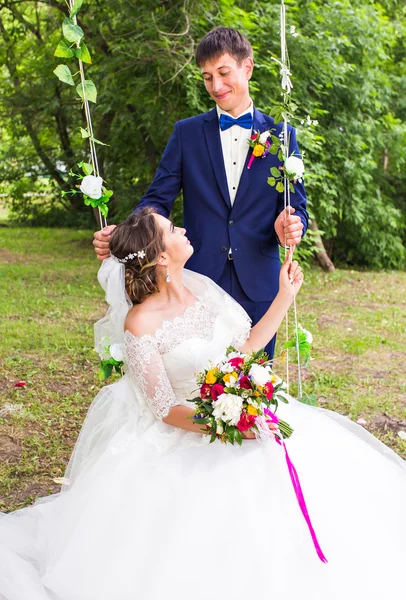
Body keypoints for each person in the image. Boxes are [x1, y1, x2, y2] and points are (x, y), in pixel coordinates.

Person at [0, 207, 405, 600]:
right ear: (161, 255)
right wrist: (229, 426)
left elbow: (242, 350)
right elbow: (165, 409)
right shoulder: (140, 323)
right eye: (173, 229)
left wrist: (285, 295)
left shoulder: (200, 291)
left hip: (239, 409)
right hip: (191, 432)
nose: (182, 231)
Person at [93, 26, 308, 359]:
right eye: (207, 77)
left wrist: (291, 227)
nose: (216, 87)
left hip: (261, 283)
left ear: (247, 68)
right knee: (204, 384)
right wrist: (127, 232)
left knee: (256, 384)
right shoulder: (187, 133)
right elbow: (157, 199)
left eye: (223, 73)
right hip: (199, 281)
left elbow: (298, 208)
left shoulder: (281, 135)